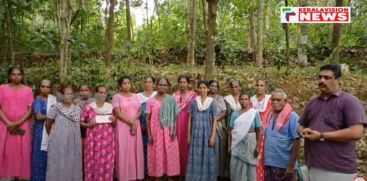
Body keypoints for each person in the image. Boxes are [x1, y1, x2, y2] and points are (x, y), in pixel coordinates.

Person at [298, 64, 366, 181]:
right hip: (313, 166)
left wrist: (321, 136)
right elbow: (301, 125)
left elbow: (357, 132)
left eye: (327, 78)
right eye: (320, 77)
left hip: (338, 169)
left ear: (338, 81)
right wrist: (303, 131)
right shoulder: (313, 102)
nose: (321, 81)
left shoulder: (349, 101)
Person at [0, 66, 34, 180]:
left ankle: (19, 176)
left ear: (22, 76)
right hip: (5, 125)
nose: (16, 76)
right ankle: (6, 174)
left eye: (18, 74)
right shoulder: (2, 88)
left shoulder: (28, 90)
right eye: (13, 74)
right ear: (9, 76)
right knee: (6, 150)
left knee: (21, 150)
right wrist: (9, 123)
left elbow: (30, 109)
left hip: (22, 125)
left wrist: (17, 123)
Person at [45, 85, 83, 181]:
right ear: (61, 95)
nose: (69, 96)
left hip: (73, 142)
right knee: (58, 162)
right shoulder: (56, 108)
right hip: (58, 142)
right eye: (67, 93)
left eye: (71, 94)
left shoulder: (77, 109)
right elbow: (47, 123)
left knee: (72, 163)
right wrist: (53, 136)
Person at [146, 77, 180, 181]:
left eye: (164, 85)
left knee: (170, 154)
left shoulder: (171, 99)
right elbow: (147, 119)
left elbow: (174, 116)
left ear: (168, 87)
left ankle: (170, 176)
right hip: (156, 133)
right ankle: (157, 176)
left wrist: (174, 130)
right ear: (156, 85)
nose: (162, 87)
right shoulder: (151, 101)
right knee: (157, 155)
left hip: (168, 131)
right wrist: (149, 134)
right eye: (160, 84)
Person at [112, 75, 144, 181]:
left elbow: (140, 110)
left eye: (128, 83)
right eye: (124, 83)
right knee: (123, 150)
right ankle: (123, 176)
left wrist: (133, 120)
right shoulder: (117, 97)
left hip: (135, 125)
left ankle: (136, 175)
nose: (127, 85)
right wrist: (129, 121)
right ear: (120, 85)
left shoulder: (135, 96)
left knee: (136, 150)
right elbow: (117, 112)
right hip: (123, 126)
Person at [264, 89, 300, 181]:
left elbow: (297, 141)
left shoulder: (292, 116)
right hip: (270, 163)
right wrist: (265, 161)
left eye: (278, 100)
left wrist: (291, 166)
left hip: (285, 165)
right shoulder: (269, 115)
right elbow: (267, 139)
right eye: (273, 99)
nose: (275, 102)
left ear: (285, 101)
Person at [81, 85, 116, 181]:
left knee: (106, 162)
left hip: (107, 141)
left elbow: (115, 124)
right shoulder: (89, 107)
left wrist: (114, 120)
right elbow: (80, 122)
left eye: (104, 92)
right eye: (100, 92)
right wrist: (88, 124)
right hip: (93, 141)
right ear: (95, 93)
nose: (102, 94)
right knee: (93, 162)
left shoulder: (110, 107)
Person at [186, 80, 219, 181]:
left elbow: (215, 119)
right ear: (197, 89)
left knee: (208, 155)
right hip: (196, 134)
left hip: (208, 133)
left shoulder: (212, 102)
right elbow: (190, 118)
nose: (202, 89)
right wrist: (188, 135)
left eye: (204, 88)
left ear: (208, 89)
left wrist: (213, 135)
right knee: (195, 155)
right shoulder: (193, 102)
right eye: (200, 87)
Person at [228, 93, 262, 181]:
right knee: (235, 165)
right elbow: (230, 131)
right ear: (239, 101)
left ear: (249, 101)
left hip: (250, 141)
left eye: (246, 99)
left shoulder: (254, 113)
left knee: (250, 166)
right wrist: (229, 145)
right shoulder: (234, 114)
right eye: (242, 99)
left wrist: (258, 146)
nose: (243, 101)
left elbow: (259, 130)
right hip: (237, 143)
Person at [31, 79, 57, 181]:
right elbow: (38, 117)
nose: (45, 89)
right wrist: (51, 117)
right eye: (43, 86)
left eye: (48, 87)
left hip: (52, 129)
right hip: (40, 131)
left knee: (50, 154)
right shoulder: (37, 100)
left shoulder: (53, 100)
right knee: (39, 155)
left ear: (50, 89)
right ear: (40, 88)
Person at [173, 75, 197, 177]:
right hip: (176, 123)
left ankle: (187, 172)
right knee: (176, 147)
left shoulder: (193, 95)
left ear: (188, 83)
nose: (182, 84)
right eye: (181, 82)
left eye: (184, 82)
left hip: (189, 122)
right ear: (178, 83)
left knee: (187, 146)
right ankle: (176, 172)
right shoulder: (174, 95)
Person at [250, 79, 272, 181]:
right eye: (257, 85)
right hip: (254, 132)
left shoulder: (271, 99)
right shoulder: (251, 100)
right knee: (254, 154)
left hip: (268, 132)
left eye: (262, 85)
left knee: (265, 155)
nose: (259, 87)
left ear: (265, 87)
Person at [208, 80, 229, 180]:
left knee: (218, 150)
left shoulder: (220, 98)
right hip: (206, 126)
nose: (214, 88)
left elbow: (224, 112)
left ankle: (219, 173)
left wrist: (215, 119)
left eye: (216, 86)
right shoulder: (205, 97)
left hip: (219, 127)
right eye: (212, 86)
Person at [137, 76, 157, 176]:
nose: (147, 83)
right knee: (143, 148)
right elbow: (135, 111)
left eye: (150, 82)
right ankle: (144, 171)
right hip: (142, 126)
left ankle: (155, 171)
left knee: (155, 148)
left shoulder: (157, 95)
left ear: (153, 83)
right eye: (146, 82)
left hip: (156, 126)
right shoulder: (138, 96)